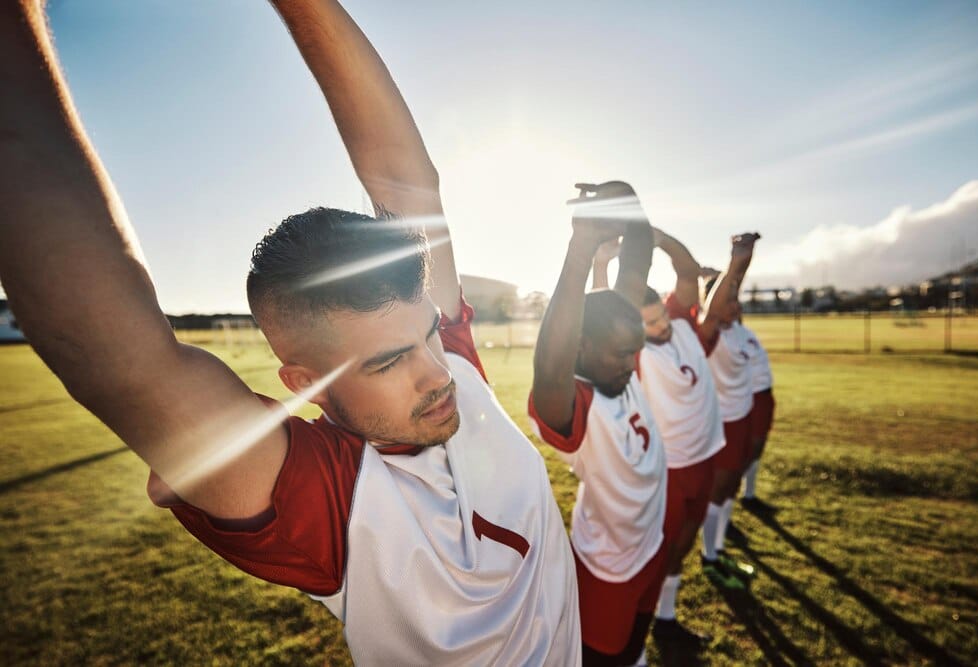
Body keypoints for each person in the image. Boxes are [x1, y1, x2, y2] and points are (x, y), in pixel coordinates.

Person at [0, 1, 580, 664]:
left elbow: (403, 177)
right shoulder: (333, 504)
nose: (437, 369)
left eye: (425, 333)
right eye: (389, 361)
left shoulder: (448, 353)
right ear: (308, 384)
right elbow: (117, 358)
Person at [528, 183, 667, 666]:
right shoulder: (575, 407)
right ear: (582, 349)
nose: (633, 363)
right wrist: (580, 251)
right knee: (602, 656)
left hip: (650, 540)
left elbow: (638, 262)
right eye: (621, 353)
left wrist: (629, 199)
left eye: (636, 350)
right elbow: (550, 363)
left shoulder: (617, 357)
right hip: (609, 564)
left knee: (634, 644)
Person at [593, 227, 735, 657]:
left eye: (659, 318)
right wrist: (600, 263)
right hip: (666, 469)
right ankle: (640, 640)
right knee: (660, 551)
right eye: (648, 323)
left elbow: (687, 271)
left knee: (686, 540)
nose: (660, 327)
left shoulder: (677, 323)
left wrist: (655, 236)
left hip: (705, 455)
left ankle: (667, 618)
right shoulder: (633, 352)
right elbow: (601, 313)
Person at [698, 234, 760, 577]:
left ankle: (719, 548)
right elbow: (721, 296)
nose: (736, 305)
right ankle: (709, 558)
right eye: (730, 300)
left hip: (743, 418)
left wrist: (745, 260)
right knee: (717, 493)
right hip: (723, 425)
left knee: (730, 490)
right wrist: (733, 261)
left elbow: (733, 288)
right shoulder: (712, 333)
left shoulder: (736, 328)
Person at [739, 312, 775, 507]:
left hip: (763, 396)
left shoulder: (745, 332)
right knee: (747, 450)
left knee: (755, 450)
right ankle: (721, 496)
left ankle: (749, 494)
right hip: (747, 398)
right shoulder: (717, 336)